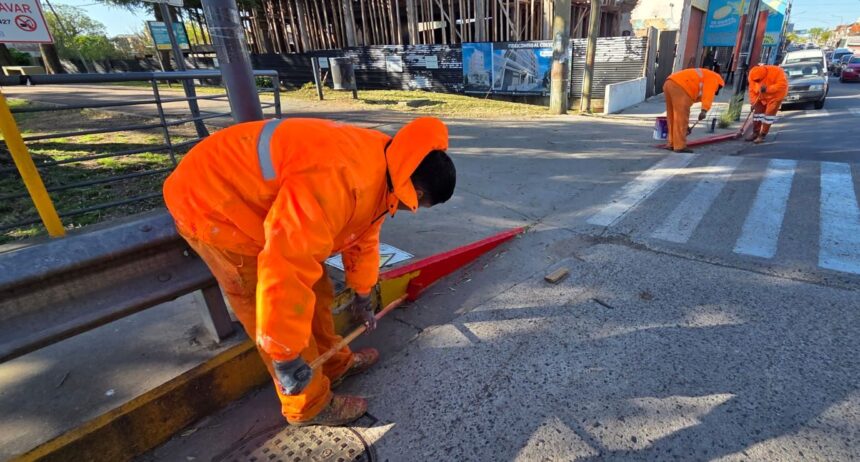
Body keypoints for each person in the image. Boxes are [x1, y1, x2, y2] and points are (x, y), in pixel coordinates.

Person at [163, 117, 456, 426]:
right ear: (417, 192)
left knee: (317, 289)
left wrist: (363, 292)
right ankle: (307, 405)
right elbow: (285, 269)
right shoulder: (339, 180)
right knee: (275, 301)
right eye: (417, 206)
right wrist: (285, 354)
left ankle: (332, 363)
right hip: (214, 206)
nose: (411, 210)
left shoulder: (388, 164)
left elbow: (363, 233)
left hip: (248, 194)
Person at [663, 67, 725, 153]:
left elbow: (696, 96)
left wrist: (686, 126)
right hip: (681, 86)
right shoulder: (714, 79)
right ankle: (680, 146)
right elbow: (708, 94)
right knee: (681, 119)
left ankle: (671, 143)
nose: (715, 92)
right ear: (719, 85)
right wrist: (704, 110)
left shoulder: (705, 75)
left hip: (669, 83)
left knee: (673, 116)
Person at [747, 64, 788, 144]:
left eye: (759, 80)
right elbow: (751, 90)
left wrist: (767, 89)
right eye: (756, 81)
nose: (757, 82)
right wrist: (753, 103)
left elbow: (782, 85)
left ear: (763, 76)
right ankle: (755, 133)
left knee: (768, 115)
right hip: (761, 96)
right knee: (757, 114)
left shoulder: (777, 71)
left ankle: (762, 135)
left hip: (775, 97)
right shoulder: (752, 76)